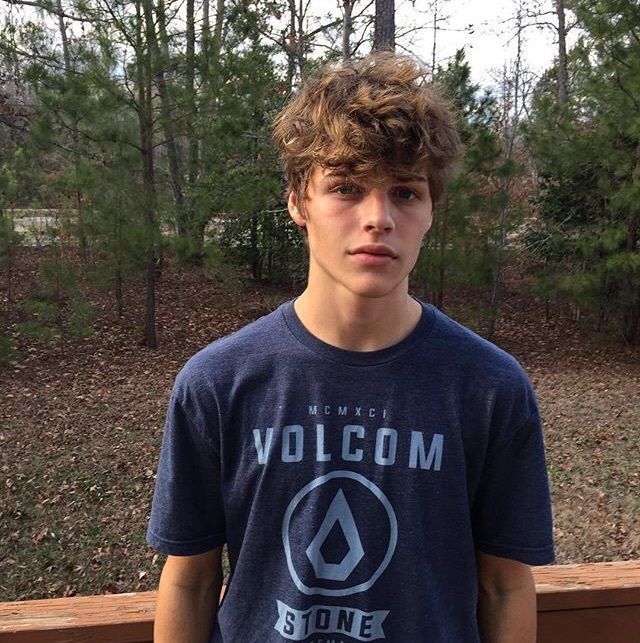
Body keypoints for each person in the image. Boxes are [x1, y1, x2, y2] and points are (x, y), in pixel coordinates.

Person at [147, 51, 554, 643]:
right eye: (345, 187)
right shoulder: (217, 384)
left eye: (405, 192)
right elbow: (190, 581)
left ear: (431, 210)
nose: (378, 218)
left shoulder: (490, 388)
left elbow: (505, 586)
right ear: (298, 201)